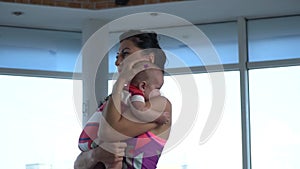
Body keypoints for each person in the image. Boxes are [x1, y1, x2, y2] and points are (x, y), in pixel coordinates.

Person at [74, 30, 172, 169]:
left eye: (125, 53)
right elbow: (78, 164)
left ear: (149, 58)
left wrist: (120, 82)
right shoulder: (117, 101)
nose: (117, 62)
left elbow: (107, 134)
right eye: (117, 55)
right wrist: (95, 155)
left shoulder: (161, 105)